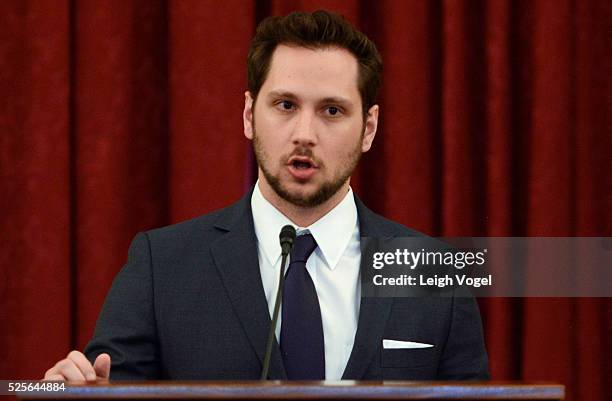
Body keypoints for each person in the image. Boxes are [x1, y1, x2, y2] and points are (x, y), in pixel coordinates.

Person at [44, 10, 489, 381]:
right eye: (285, 106)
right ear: (248, 115)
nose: (304, 135)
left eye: (332, 111)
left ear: (368, 128)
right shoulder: (163, 265)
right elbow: (98, 386)